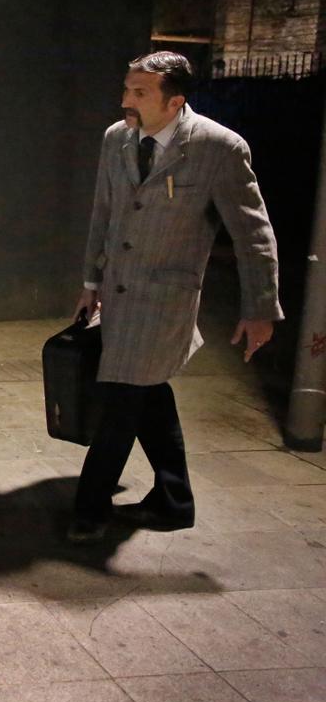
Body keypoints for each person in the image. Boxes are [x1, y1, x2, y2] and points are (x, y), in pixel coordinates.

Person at [68, 51, 282, 542]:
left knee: (122, 400)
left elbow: (253, 234)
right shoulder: (116, 139)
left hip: (166, 299)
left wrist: (260, 309)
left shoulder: (218, 148)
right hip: (119, 297)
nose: (126, 100)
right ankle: (173, 500)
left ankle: (90, 508)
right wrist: (90, 284)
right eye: (126, 89)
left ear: (174, 101)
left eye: (139, 93)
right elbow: (103, 214)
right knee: (148, 396)